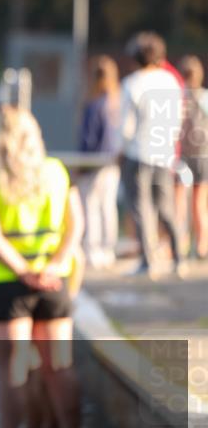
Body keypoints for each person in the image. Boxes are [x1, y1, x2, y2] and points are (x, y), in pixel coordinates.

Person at [0, 105, 84, 428]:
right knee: (60, 367)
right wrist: (53, 265)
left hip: (6, 284)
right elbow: (75, 225)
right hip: (53, 281)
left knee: (12, 370)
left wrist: (22, 271)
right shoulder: (57, 172)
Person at [118, 32, 185, 279]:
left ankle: (149, 261)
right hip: (164, 152)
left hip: (138, 152)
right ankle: (179, 256)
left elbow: (125, 127)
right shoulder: (170, 81)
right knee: (166, 207)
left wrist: (120, 150)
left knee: (141, 208)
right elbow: (177, 118)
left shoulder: (132, 83)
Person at [77, 55, 122, 270]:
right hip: (113, 163)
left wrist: (81, 166)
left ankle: (93, 250)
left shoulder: (94, 106)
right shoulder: (117, 104)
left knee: (91, 206)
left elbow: (89, 139)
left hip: (94, 163)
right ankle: (108, 249)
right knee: (108, 206)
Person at [179, 55, 208, 259]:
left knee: (179, 202)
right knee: (200, 204)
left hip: (184, 155)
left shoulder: (180, 97)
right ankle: (202, 245)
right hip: (203, 156)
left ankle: (180, 244)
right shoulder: (205, 97)